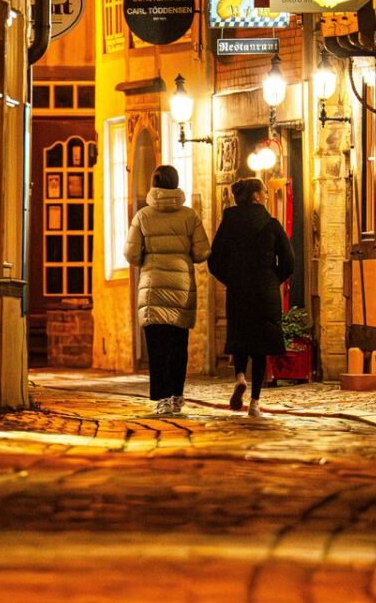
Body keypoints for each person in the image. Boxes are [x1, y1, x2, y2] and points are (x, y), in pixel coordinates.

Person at [124, 165, 211, 414]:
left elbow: (131, 253)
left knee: (157, 347)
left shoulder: (143, 216)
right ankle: (177, 395)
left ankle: (161, 398)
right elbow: (202, 251)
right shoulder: (189, 216)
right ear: (176, 183)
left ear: (154, 184)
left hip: (152, 287)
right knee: (178, 344)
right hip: (181, 286)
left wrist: (146, 257)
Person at [207, 177, 294, 418]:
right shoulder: (271, 224)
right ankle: (255, 403)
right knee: (260, 347)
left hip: (238, 290)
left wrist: (232, 279)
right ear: (256, 196)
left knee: (240, 337)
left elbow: (214, 261)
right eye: (264, 192)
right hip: (264, 291)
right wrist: (271, 279)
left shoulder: (229, 224)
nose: (266, 195)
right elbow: (289, 262)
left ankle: (239, 377)